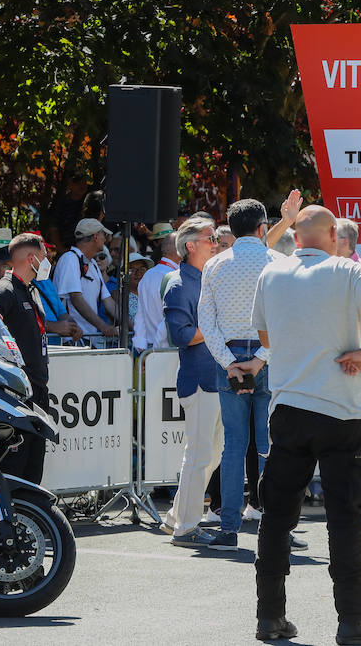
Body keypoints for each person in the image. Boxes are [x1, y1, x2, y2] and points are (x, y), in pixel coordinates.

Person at [250, 204, 361, 645]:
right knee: (345, 518)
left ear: (297, 236)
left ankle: (269, 617)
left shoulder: (272, 274)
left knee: (277, 518)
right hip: (338, 409)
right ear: (334, 235)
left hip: (287, 408)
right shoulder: (346, 270)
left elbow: (266, 338)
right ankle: (353, 620)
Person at [198, 199, 293, 550]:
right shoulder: (279, 262)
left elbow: (205, 321)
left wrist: (229, 362)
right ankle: (278, 525)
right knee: (272, 444)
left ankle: (228, 529)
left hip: (232, 354)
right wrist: (262, 358)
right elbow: (287, 317)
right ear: (262, 228)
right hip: (270, 357)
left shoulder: (215, 266)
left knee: (234, 446)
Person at [160, 218, 228, 548]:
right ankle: (186, 527)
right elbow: (182, 335)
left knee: (209, 456)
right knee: (201, 456)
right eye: (209, 239)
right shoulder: (178, 284)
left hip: (214, 379)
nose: (215, 243)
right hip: (200, 380)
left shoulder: (205, 279)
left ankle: (177, 517)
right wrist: (219, 328)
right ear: (190, 246)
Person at [0, 233, 54, 482]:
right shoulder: (4, 291)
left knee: (34, 466)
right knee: (14, 466)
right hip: (16, 392)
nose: (47, 262)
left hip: (37, 389)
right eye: (44, 257)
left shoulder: (31, 290)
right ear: (31, 259)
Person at [53, 217, 119, 346]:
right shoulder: (70, 259)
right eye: (103, 235)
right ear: (95, 236)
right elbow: (76, 298)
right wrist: (103, 327)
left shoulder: (93, 264)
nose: (105, 239)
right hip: (71, 340)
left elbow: (109, 302)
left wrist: (132, 325)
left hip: (88, 339)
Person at [133, 222, 180, 351]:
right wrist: (156, 349)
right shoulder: (175, 278)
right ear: (179, 251)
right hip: (165, 351)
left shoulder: (148, 275)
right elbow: (168, 320)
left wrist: (141, 348)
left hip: (151, 350)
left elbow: (140, 315)